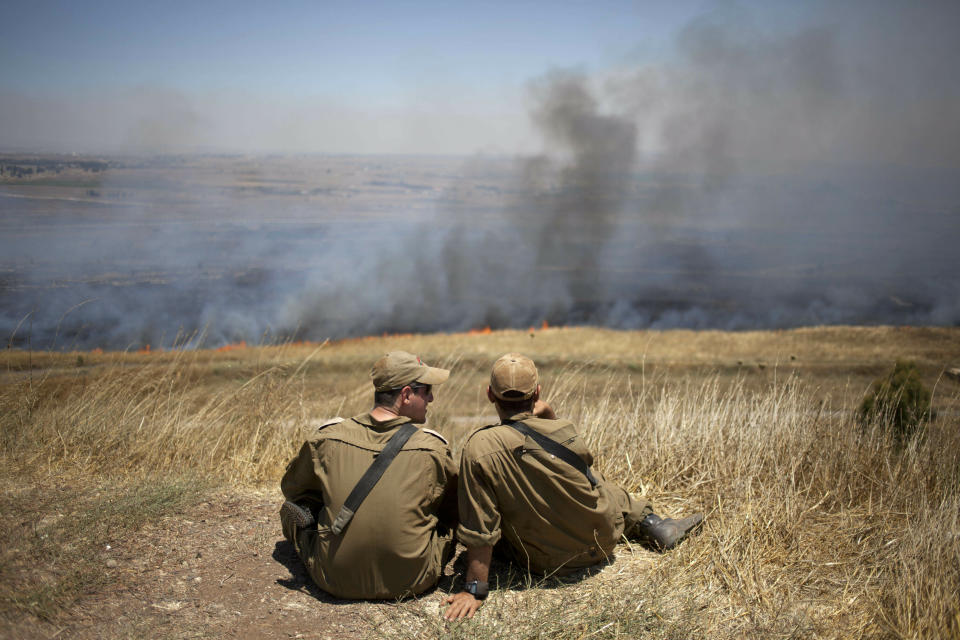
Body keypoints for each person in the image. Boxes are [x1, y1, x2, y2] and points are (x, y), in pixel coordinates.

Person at [442, 353, 703, 620]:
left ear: (490, 395)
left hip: (548, 562)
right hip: (603, 539)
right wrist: (549, 414)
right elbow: (578, 467)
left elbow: (480, 527)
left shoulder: (479, 447)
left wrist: (475, 589)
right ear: (537, 393)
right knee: (603, 485)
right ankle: (653, 523)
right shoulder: (564, 429)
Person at [280, 350, 458, 600]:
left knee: (292, 510)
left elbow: (293, 491)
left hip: (332, 577)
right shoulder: (433, 449)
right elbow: (454, 510)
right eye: (426, 390)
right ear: (406, 395)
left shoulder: (327, 438)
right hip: (412, 580)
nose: (431, 397)